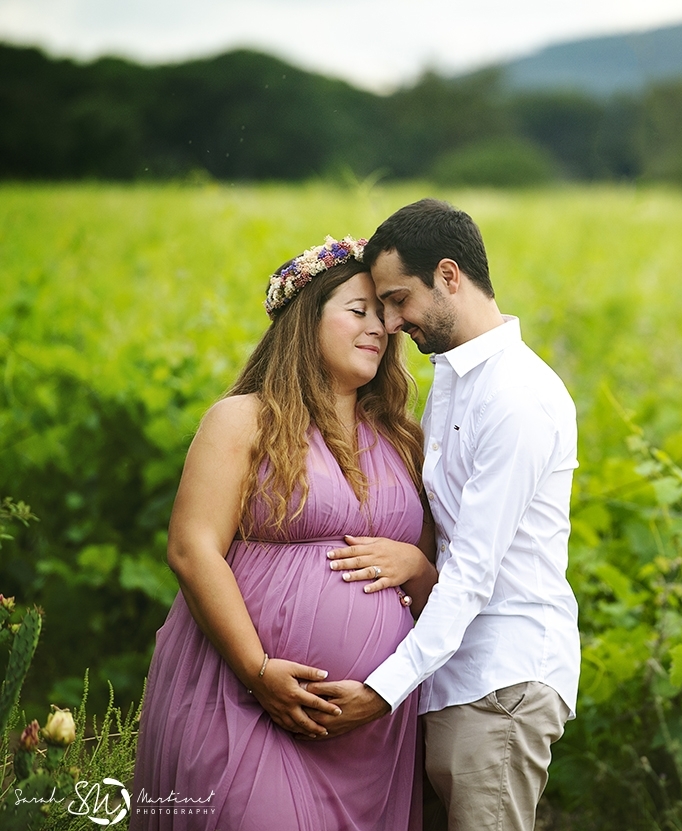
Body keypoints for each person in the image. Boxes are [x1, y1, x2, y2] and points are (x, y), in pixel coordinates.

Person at [131, 236, 437, 830]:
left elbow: (438, 581)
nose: (380, 327)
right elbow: (192, 549)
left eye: (386, 316)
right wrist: (257, 669)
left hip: (372, 733)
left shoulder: (404, 439)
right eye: (358, 311)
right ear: (304, 319)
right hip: (244, 698)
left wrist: (418, 569)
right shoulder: (244, 419)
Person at [306, 199, 580, 831]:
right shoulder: (454, 381)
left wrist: (378, 693)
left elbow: (474, 572)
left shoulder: (518, 397)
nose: (394, 322)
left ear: (449, 276)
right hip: (449, 680)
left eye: (400, 300)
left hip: (500, 680)